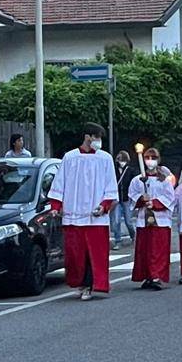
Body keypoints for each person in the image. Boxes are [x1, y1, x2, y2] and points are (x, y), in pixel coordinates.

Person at [47, 123, 118, 301]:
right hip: (74, 215)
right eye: (96, 137)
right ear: (88, 137)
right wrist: (55, 207)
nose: (98, 141)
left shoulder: (105, 158)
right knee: (76, 254)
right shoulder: (70, 158)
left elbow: (110, 186)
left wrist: (104, 205)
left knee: (95, 253)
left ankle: (92, 284)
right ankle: (80, 283)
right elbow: (59, 183)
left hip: (96, 217)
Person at [128, 148, 175, 290]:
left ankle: (157, 276)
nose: (150, 160)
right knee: (145, 250)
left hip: (160, 220)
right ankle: (147, 275)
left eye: (153, 157)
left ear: (158, 160)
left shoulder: (164, 181)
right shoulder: (137, 180)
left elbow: (170, 198)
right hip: (143, 220)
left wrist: (154, 203)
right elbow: (132, 195)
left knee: (158, 250)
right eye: (147, 157)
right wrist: (141, 199)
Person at [110, 150, 137, 250]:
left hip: (126, 198)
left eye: (123, 159)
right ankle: (118, 241)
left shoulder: (130, 170)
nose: (121, 161)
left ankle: (133, 236)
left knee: (128, 221)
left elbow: (134, 183)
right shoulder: (114, 170)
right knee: (116, 220)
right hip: (116, 198)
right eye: (119, 159)